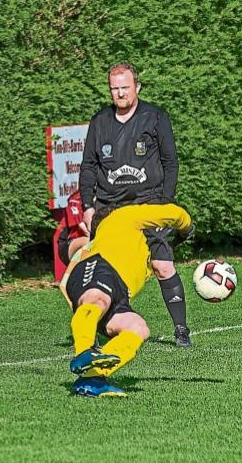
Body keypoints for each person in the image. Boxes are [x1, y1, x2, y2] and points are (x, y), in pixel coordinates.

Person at [78, 62, 192, 348]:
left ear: (137, 87)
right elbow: (88, 167)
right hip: (109, 209)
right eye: (114, 89)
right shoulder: (99, 122)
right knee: (102, 271)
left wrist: (163, 203)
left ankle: (181, 331)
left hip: (147, 202)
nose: (120, 94)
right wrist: (87, 206)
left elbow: (170, 161)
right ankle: (92, 332)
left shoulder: (155, 118)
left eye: (125, 88)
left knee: (162, 264)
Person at [62, 202, 194, 397]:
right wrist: (187, 229)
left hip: (119, 292)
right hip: (100, 266)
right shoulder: (121, 216)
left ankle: (92, 379)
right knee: (98, 298)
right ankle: (84, 352)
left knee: (138, 327)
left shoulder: (139, 247)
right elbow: (174, 213)